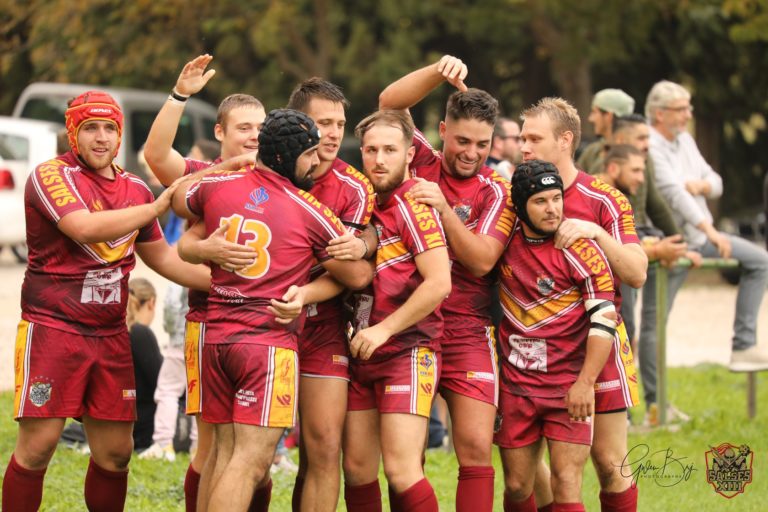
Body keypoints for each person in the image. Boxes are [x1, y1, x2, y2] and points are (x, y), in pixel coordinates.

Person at [4, 90, 210, 512]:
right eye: (91, 128)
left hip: (111, 334)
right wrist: (156, 207)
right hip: (53, 329)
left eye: (110, 129)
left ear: (120, 135)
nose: (101, 138)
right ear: (73, 134)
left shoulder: (134, 188)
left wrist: (236, 284)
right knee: (39, 447)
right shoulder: (51, 175)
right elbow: (83, 227)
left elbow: (164, 259)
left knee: (116, 454)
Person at [171, 108, 374, 512]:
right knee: (250, 462)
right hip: (266, 344)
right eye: (310, 153)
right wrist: (369, 243)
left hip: (217, 336)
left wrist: (201, 244)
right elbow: (356, 276)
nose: (316, 162)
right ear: (287, 156)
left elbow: (179, 199)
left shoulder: (218, 186)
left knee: (222, 452)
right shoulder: (307, 208)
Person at [378, 55, 515, 512]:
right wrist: (438, 71)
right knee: (406, 456)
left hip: (466, 331)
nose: (471, 152)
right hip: (410, 324)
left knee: (474, 447)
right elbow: (388, 103)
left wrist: (442, 209)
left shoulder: (497, 190)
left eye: (482, 144)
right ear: (442, 131)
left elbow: (482, 260)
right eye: (462, 141)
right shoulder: (419, 159)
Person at [142, 54, 264, 511]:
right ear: (219, 132)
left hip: (266, 328)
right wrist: (179, 96)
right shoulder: (200, 175)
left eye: (260, 127)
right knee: (211, 444)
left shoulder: (279, 180)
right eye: (243, 127)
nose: (253, 136)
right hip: (208, 322)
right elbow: (157, 157)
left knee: (257, 451)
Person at [520, 96, 646, 511]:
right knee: (527, 469)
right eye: (522, 138)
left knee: (609, 463)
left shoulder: (603, 198)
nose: (524, 147)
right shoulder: (515, 194)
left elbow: (637, 272)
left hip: (599, 342)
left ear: (565, 140)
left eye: (534, 139)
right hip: (534, 350)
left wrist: (596, 233)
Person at [342, 109, 451, 512]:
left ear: (409, 154)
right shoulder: (363, 202)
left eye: (390, 150)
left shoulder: (414, 205)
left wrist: (384, 329)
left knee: (402, 471)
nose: (379, 159)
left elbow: (439, 283)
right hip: (361, 353)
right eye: (371, 150)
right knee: (356, 470)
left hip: (408, 349)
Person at [496, 160, 618, 512]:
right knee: (517, 485)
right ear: (521, 207)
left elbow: (604, 319)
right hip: (516, 385)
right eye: (540, 201)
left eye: (557, 198)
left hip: (568, 386)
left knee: (566, 481)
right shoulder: (502, 243)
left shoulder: (580, 248)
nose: (552, 209)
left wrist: (585, 383)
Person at [284, 77, 377, 512]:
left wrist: (362, 245)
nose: (335, 133)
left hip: (324, 327)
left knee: (322, 448)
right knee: (255, 451)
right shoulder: (269, 170)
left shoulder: (354, 186)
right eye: (324, 123)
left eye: (340, 123)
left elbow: (353, 274)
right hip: (264, 322)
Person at [645, 80, 768, 372]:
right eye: (681, 109)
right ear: (660, 113)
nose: (688, 115)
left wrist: (700, 186)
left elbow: (716, 182)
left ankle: (743, 346)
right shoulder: (649, 145)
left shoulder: (685, 140)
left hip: (701, 238)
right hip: (671, 242)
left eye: (688, 108)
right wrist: (711, 231)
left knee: (760, 261)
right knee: (655, 321)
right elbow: (675, 195)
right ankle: (651, 396)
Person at [127, 277, 163, 452]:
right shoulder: (141, 333)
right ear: (151, 303)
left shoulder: (119, 331)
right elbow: (161, 383)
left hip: (120, 422)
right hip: (144, 427)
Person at [577, 89, 635, 174]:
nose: (590, 119)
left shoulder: (637, 154)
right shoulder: (592, 152)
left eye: (594, 112)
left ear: (608, 116)